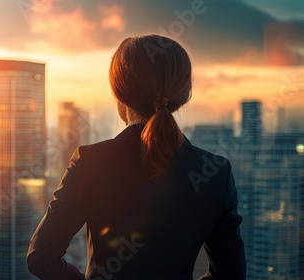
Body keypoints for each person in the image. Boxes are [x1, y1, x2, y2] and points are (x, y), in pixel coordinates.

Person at [26, 34, 246, 280]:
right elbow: (230, 275)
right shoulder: (216, 172)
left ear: (119, 95)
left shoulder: (91, 162)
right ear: (183, 95)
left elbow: (41, 258)